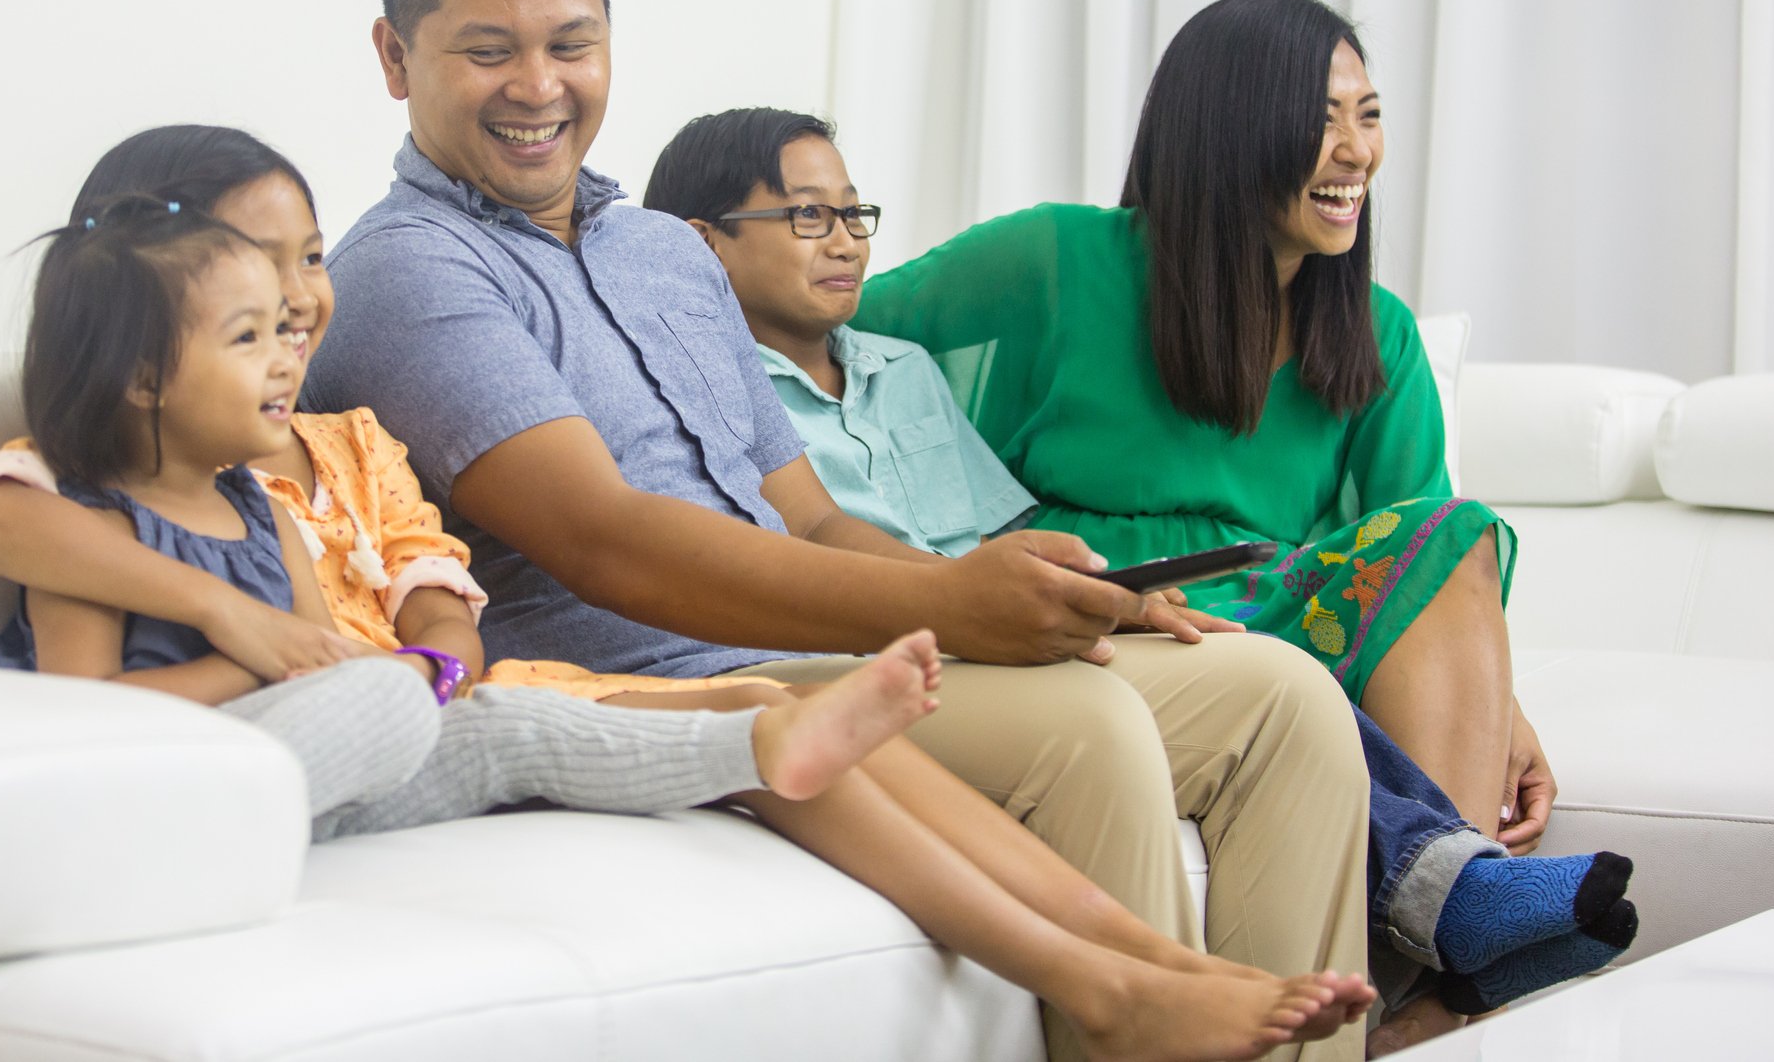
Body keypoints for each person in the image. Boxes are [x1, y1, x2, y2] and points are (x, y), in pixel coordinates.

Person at [303, 0, 1376, 1062]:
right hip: (678, 685)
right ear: (396, 58)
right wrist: (948, 604)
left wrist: (1066, 597)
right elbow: (603, 540)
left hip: (832, 647)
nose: (538, 85)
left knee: (1285, 699)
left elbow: (808, 518)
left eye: (572, 41)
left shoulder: (664, 250)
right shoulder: (404, 273)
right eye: (488, 49)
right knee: (1085, 726)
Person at [0, 169, 1362, 1062]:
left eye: (299, 286)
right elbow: (74, 683)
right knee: (512, 701)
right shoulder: (108, 488)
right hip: (322, 735)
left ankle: (1154, 962)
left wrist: (1013, 583)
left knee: (1278, 698)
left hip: (425, 710)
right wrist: (259, 640)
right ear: (144, 369)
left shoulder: (320, 458)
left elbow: (435, 597)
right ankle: (1097, 981)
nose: (299, 325)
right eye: (252, 315)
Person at [646, 105, 1642, 1039]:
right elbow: (803, 538)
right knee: (1219, 675)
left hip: (1005, 610)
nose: (849, 241)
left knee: (1260, 659)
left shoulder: (895, 366)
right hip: (906, 633)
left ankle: (1436, 900)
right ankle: (1442, 894)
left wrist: (1098, 586)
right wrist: (983, 598)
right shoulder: (707, 374)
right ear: (701, 242)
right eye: (810, 216)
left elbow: (1003, 521)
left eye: (856, 215)